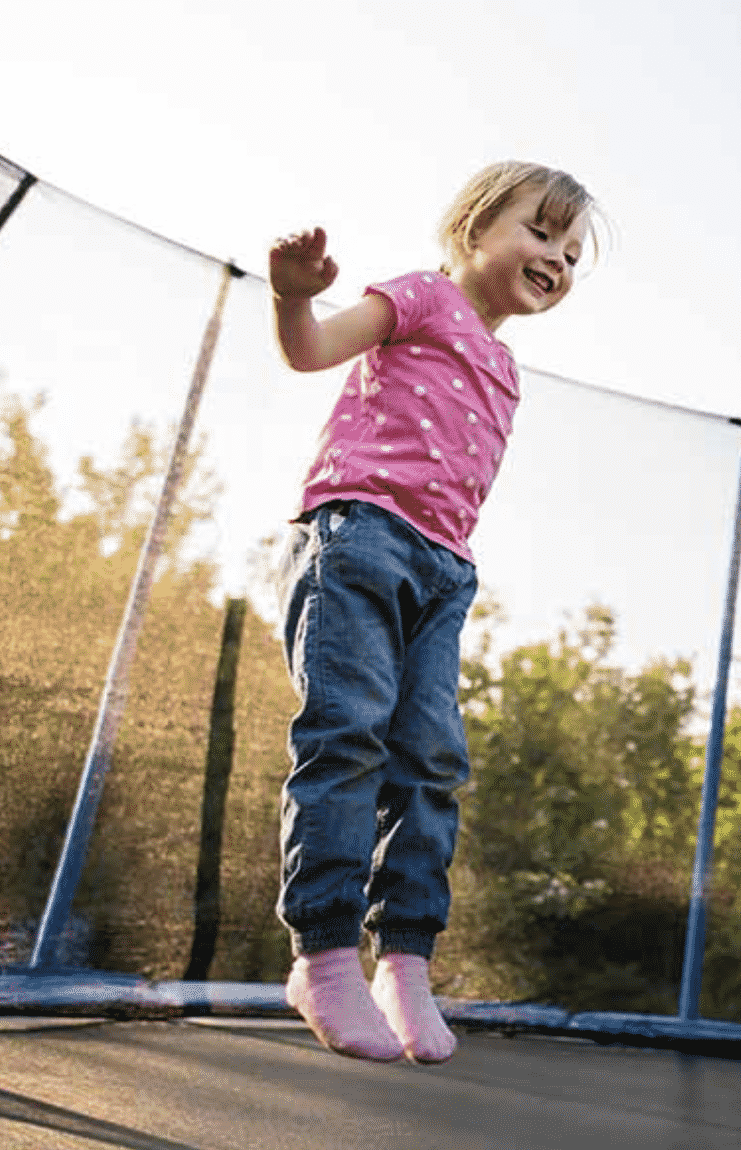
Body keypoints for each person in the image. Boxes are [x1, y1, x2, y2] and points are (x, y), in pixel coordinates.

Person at [267, 162, 595, 1063]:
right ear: (475, 226)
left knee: (431, 764)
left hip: (446, 570)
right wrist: (293, 299)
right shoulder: (418, 297)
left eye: (572, 253)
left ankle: (403, 962)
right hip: (360, 534)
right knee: (348, 736)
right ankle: (326, 954)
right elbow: (309, 351)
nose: (557, 260)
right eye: (542, 233)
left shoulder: (505, 367)